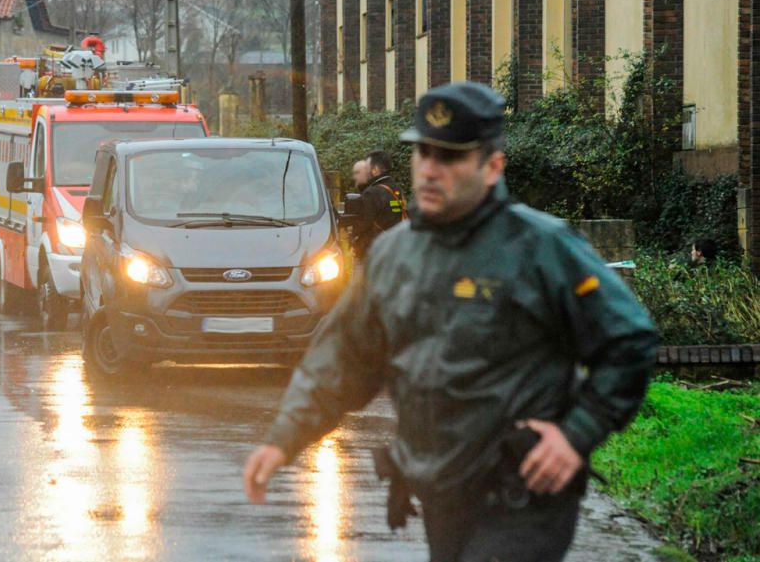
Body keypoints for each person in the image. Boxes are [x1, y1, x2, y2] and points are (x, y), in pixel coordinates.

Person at [242, 81, 659, 562]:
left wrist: (577, 434)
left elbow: (629, 340)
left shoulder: (541, 248)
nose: (431, 171)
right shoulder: (396, 255)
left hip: (522, 495)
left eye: (451, 157)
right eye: (423, 154)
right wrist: (282, 440)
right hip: (439, 490)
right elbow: (343, 358)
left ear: (492, 166)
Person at [351, 149, 407, 260]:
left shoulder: (371, 193)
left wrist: (352, 236)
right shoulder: (397, 189)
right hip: (395, 249)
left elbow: (363, 223)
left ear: (375, 170)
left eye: (367, 168)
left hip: (373, 253)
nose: (365, 172)